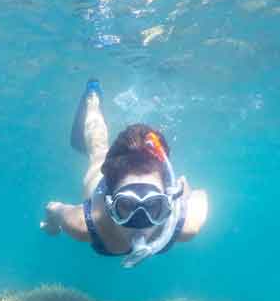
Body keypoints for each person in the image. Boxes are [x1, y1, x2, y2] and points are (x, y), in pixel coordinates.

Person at [40, 79, 209, 267]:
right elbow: (55, 208)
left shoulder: (188, 223)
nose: (140, 222)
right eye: (126, 206)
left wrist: (185, 194)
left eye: (154, 206)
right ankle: (92, 100)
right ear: (110, 203)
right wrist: (52, 221)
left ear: (168, 201)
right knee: (98, 152)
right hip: (100, 180)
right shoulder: (82, 225)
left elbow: (200, 195)